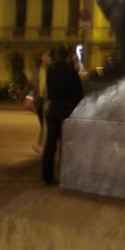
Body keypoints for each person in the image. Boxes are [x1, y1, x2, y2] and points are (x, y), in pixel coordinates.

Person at [41, 44, 84, 185]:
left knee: (50, 144)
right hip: (66, 110)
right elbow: (78, 92)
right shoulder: (70, 71)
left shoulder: (50, 72)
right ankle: (66, 176)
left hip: (53, 109)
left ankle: (47, 176)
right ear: (65, 56)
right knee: (66, 145)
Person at [32, 50, 49, 153]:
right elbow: (31, 84)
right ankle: (40, 144)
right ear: (41, 58)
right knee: (43, 124)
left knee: (45, 124)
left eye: (48, 56)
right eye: (45, 56)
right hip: (39, 100)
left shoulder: (52, 70)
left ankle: (41, 145)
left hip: (48, 100)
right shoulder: (37, 71)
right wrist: (23, 96)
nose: (47, 58)